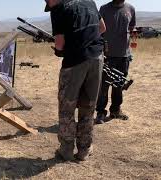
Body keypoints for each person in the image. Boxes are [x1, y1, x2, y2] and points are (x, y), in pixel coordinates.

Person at [45, 0, 106, 161]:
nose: (49, 5)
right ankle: (84, 150)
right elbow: (102, 28)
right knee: (88, 105)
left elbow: (59, 45)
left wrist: (61, 51)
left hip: (75, 62)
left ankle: (66, 150)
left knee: (67, 106)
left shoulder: (58, 9)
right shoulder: (89, 2)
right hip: (97, 57)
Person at [96, 0, 136, 124]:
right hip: (107, 55)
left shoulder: (130, 8)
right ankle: (101, 112)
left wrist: (133, 38)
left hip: (124, 55)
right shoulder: (104, 9)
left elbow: (132, 27)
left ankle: (116, 110)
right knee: (103, 85)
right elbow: (98, 29)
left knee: (119, 84)